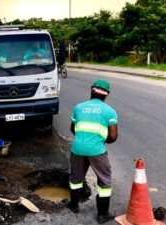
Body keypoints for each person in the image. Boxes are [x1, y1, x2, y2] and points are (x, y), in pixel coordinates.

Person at [67, 80, 118, 224]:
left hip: (77, 149)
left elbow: (73, 128)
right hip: (97, 151)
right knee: (104, 181)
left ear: (91, 91)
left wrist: (83, 139)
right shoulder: (110, 111)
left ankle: (74, 205)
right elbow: (113, 136)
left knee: (76, 179)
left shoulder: (78, 107)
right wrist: (99, 140)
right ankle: (102, 215)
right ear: (106, 95)